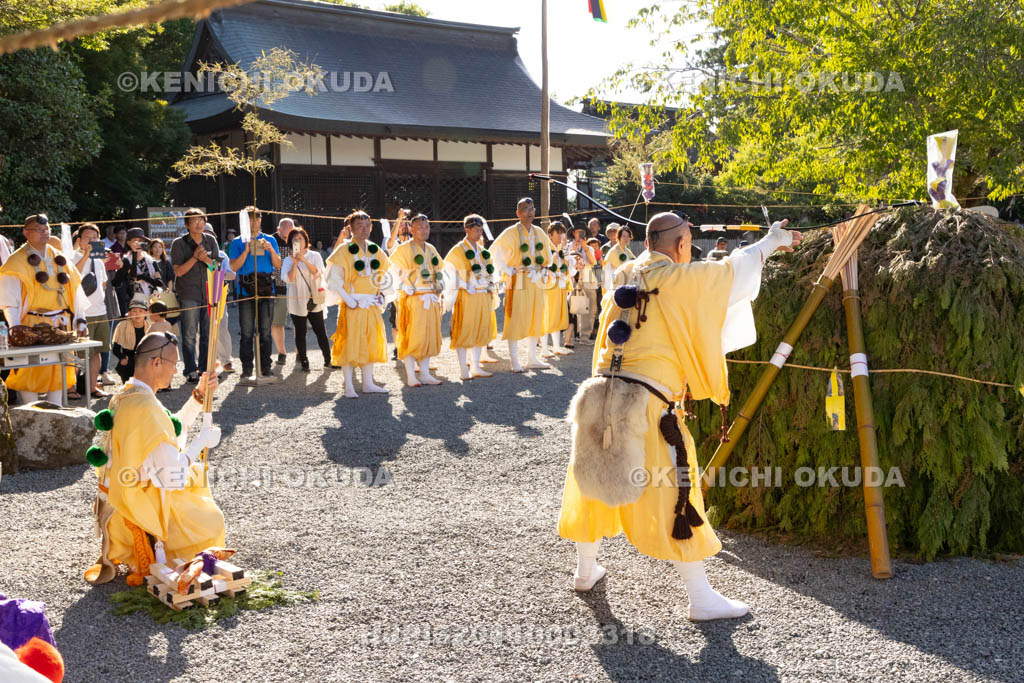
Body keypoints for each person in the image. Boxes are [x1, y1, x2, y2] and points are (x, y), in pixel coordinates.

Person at [558, 212, 802, 621]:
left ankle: (585, 571)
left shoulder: (624, 272)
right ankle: (701, 597)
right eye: (688, 240)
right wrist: (772, 241)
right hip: (649, 405)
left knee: (591, 476)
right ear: (682, 244)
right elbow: (730, 273)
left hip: (600, 393)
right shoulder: (678, 279)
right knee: (676, 489)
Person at [84, 331, 224, 587]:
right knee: (212, 521)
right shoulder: (146, 407)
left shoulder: (126, 395)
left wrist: (198, 396)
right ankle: (156, 553)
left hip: (119, 505)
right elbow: (173, 476)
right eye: (174, 364)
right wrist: (201, 442)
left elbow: (169, 431)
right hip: (138, 513)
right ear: (156, 362)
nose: (176, 371)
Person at [0, 214, 88, 406]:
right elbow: (9, 300)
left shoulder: (59, 257)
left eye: (46, 229)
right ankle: (31, 411)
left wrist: (80, 318)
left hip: (61, 323)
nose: (44, 233)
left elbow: (75, 288)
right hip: (31, 323)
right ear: (26, 233)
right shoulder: (16, 262)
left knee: (58, 368)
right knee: (29, 370)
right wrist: (15, 328)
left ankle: (56, 409)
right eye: (39, 230)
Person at [324, 211, 391, 398]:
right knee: (350, 341)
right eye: (359, 225)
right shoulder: (343, 250)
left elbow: (385, 275)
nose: (364, 229)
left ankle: (368, 382)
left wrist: (382, 295)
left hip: (371, 303)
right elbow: (333, 279)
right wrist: (347, 298)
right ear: (351, 229)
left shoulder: (375, 249)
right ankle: (348, 385)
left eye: (367, 225)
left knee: (370, 340)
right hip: (352, 303)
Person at [491, 197, 554, 372]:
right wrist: (509, 271)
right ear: (518, 213)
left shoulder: (540, 232)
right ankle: (514, 360)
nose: (530, 211)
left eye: (532, 208)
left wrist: (545, 269)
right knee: (516, 317)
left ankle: (532, 358)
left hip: (537, 279)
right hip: (518, 280)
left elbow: (548, 255)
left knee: (536, 316)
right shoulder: (510, 232)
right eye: (526, 209)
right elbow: (495, 255)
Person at [389, 214, 444, 387]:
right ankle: (411, 375)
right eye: (419, 227)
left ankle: (425, 373)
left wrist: (440, 284)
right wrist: (405, 285)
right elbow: (393, 269)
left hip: (430, 297)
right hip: (413, 298)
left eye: (426, 227)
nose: (424, 230)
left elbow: (439, 270)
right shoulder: (403, 249)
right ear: (411, 229)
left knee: (428, 335)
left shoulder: (431, 249)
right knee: (412, 336)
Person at [228, 206, 281, 380]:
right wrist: (245, 250)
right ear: (245, 221)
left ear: (260, 220)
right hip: (245, 290)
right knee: (247, 332)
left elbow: (278, 265)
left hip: (266, 289)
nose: (254, 222)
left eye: (257, 219)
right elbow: (234, 267)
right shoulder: (237, 242)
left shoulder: (270, 239)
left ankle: (266, 367)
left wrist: (271, 250)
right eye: (250, 219)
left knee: (265, 331)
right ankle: (247, 368)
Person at [442, 214, 497, 381]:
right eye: (476, 230)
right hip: (467, 295)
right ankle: (463, 369)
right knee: (465, 330)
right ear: (467, 229)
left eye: (481, 230)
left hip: (482, 295)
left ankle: (475, 366)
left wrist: (491, 285)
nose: (479, 233)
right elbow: (448, 273)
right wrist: (465, 285)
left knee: (481, 329)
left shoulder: (482, 251)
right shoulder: (458, 250)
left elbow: (490, 272)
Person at [171, 208, 219, 383]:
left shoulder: (211, 240)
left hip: (209, 292)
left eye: (202, 220)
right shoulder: (179, 243)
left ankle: (205, 369)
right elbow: (179, 271)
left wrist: (205, 259)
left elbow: (217, 267)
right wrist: (194, 258)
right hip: (188, 292)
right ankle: (190, 369)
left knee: (207, 333)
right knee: (189, 333)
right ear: (186, 224)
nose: (199, 224)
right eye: (194, 221)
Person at [72, 224, 118, 398]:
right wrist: (85, 255)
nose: (92, 241)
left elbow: (103, 284)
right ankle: (71, 388)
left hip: (101, 311)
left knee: (97, 352)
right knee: (79, 353)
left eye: (95, 238)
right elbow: (73, 275)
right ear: (79, 240)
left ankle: (92, 387)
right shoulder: (73, 256)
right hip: (82, 312)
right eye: (88, 238)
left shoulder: (99, 260)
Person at [281, 226, 331, 372]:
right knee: (300, 332)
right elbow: (288, 279)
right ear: (291, 242)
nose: (298, 241)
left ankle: (328, 359)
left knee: (320, 330)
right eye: (295, 239)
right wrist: (295, 262)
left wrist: (303, 259)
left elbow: (318, 273)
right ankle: (303, 361)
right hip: (296, 299)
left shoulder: (314, 255)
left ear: (306, 240)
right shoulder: (287, 260)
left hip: (313, 297)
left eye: (300, 238)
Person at [540, 221, 572, 357]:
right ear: (550, 235)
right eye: (557, 233)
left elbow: (568, 264)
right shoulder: (545, 248)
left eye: (561, 233)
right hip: (548, 285)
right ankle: (544, 348)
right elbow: (543, 265)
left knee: (557, 315)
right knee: (546, 315)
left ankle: (557, 346)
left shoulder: (560, 249)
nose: (560, 236)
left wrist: (564, 250)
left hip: (559, 285)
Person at [112, 228, 162, 314]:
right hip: (134, 304)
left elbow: (159, 282)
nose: (138, 243)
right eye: (135, 241)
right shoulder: (126, 260)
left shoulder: (150, 260)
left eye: (140, 241)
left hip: (152, 300)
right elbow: (133, 276)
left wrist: (144, 277)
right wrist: (135, 253)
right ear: (128, 243)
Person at [566, 227, 597, 347]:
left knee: (591, 309)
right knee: (574, 307)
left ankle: (585, 336)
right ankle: (572, 336)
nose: (579, 235)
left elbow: (593, 262)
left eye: (582, 232)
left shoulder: (589, 248)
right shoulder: (567, 246)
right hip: (573, 279)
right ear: (573, 233)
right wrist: (572, 250)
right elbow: (563, 259)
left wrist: (585, 248)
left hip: (588, 278)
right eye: (578, 232)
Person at [271, 217, 295, 367]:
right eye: (285, 234)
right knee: (277, 322)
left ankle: (300, 353)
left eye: (290, 233)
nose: (288, 237)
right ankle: (281, 352)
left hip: (295, 288)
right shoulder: (272, 241)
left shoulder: (297, 239)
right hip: (278, 287)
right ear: (279, 230)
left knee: (298, 323)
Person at [111, 295, 151, 383]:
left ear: (146, 313)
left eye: (141, 311)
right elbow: (115, 349)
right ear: (129, 313)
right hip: (129, 356)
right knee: (125, 365)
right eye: (134, 311)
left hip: (145, 356)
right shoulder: (122, 326)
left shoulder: (150, 326)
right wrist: (122, 357)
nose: (137, 314)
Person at [603, 226, 637, 290]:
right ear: (619, 237)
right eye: (623, 236)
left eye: (628, 236)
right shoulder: (613, 251)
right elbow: (609, 272)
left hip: (626, 281)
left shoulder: (628, 251)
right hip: (614, 282)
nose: (626, 238)